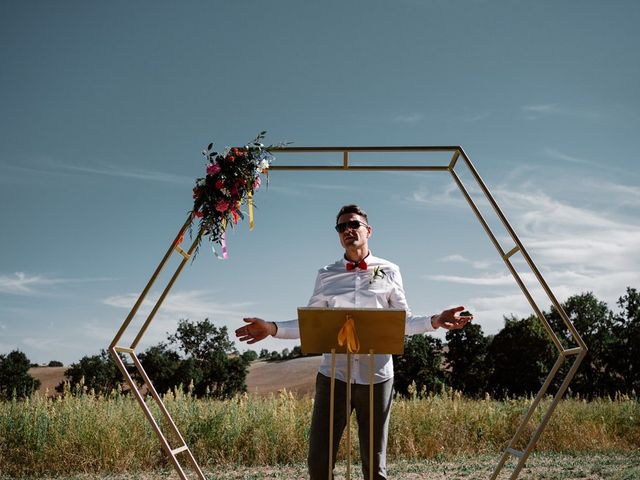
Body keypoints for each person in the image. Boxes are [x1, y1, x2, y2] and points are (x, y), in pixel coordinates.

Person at [235, 204, 472, 480]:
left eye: (354, 224)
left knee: (375, 463)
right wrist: (272, 328)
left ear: (368, 231)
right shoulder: (326, 274)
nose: (348, 230)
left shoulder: (390, 270)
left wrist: (436, 319)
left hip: (378, 376)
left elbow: (402, 322)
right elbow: (311, 322)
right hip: (334, 375)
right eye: (341, 227)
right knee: (318, 461)